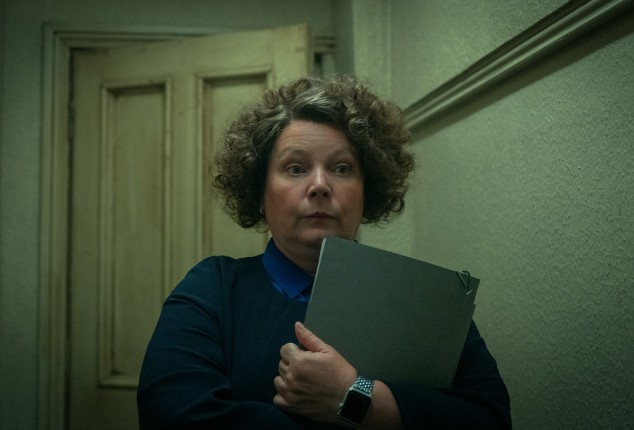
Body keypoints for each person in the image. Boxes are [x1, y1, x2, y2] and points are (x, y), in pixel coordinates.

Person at [137, 75, 512, 429]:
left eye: (342, 168)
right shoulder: (212, 289)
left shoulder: (426, 298)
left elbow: (491, 418)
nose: (320, 185)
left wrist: (353, 395)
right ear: (260, 192)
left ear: (367, 191)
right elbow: (172, 416)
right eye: (295, 168)